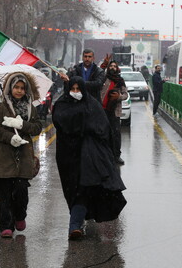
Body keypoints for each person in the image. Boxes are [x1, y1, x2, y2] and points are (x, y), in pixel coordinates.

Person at [52, 76, 127, 240]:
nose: (76, 92)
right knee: (72, 189)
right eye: (73, 89)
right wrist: (79, 122)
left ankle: (74, 226)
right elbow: (60, 121)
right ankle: (78, 219)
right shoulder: (62, 104)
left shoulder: (91, 104)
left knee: (83, 188)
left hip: (88, 155)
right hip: (67, 156)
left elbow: (102, 126)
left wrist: (87, 127)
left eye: (79, 89)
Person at [0, 72, 43, 238]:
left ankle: (20, 216)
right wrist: (10, 137)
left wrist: (22, 125)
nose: (19, 91)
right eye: (16, 87)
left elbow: (37, 128)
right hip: (4, 156)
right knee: (4, 193)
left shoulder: (30, 108)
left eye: (22, 88)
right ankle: (6, 225)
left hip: (23, 156)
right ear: (10, 89)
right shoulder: (1, 107)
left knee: (21, 190)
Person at [100, 61, 128, 165]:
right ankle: (104, 156)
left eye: (114, 66)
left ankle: (116, 156)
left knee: (116, 134)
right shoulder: (103, 78)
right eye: (110, 66)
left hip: (115, 112)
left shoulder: (120, 81)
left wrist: (118, 97)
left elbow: (125, 95)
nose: (112, 68)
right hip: (103, 111)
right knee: (103, 134)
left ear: (117, 68)